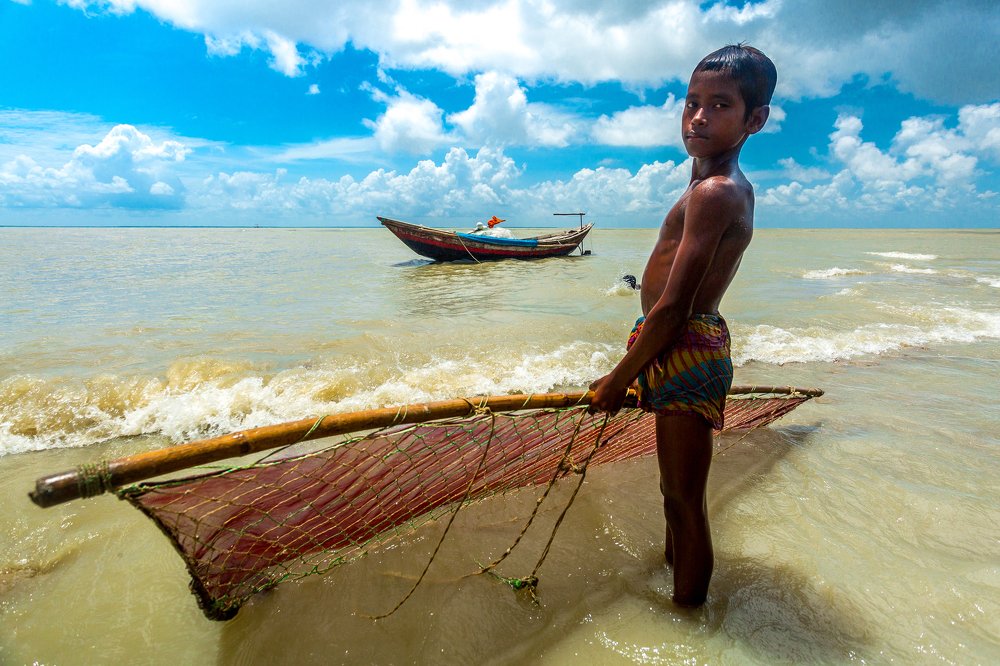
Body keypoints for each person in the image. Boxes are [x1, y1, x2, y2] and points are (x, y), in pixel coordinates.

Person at [588, 44, 776, 607]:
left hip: (683, 344)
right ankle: (677, 578)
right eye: (692, 102)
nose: (698, 116)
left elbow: (673, 306)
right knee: (675, 494)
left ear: (755, 120)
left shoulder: (717, 192)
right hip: (678, 345)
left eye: (720, 105)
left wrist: (618, 379)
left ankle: (689, 622)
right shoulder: (709, 187)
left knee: (683, 501)